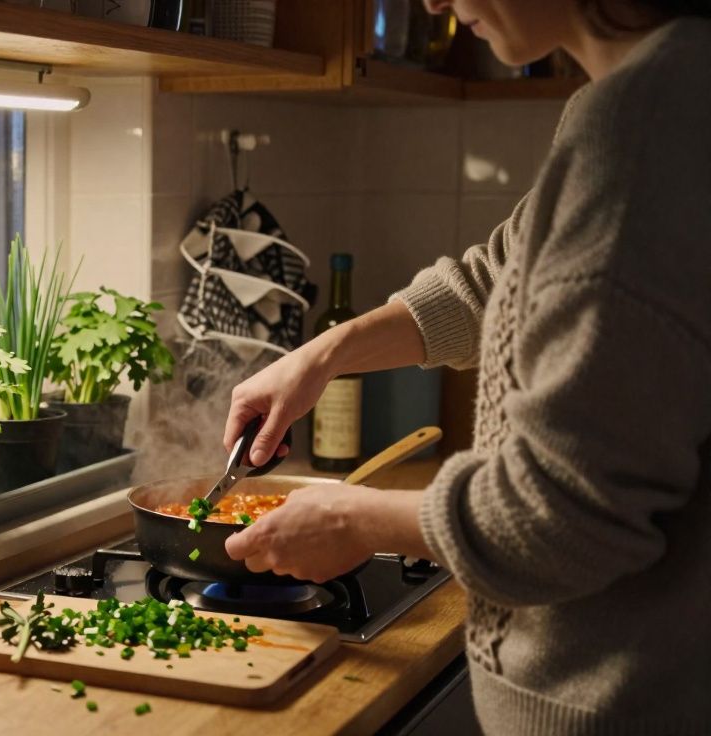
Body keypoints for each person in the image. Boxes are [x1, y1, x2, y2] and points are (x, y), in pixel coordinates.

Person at [221, 1, 711, 733]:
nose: (431, 3)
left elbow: (562, 517)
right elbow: (498, 277)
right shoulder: (644, 98)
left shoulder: (640, 138)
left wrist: (356, 519)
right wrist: (325, 353)